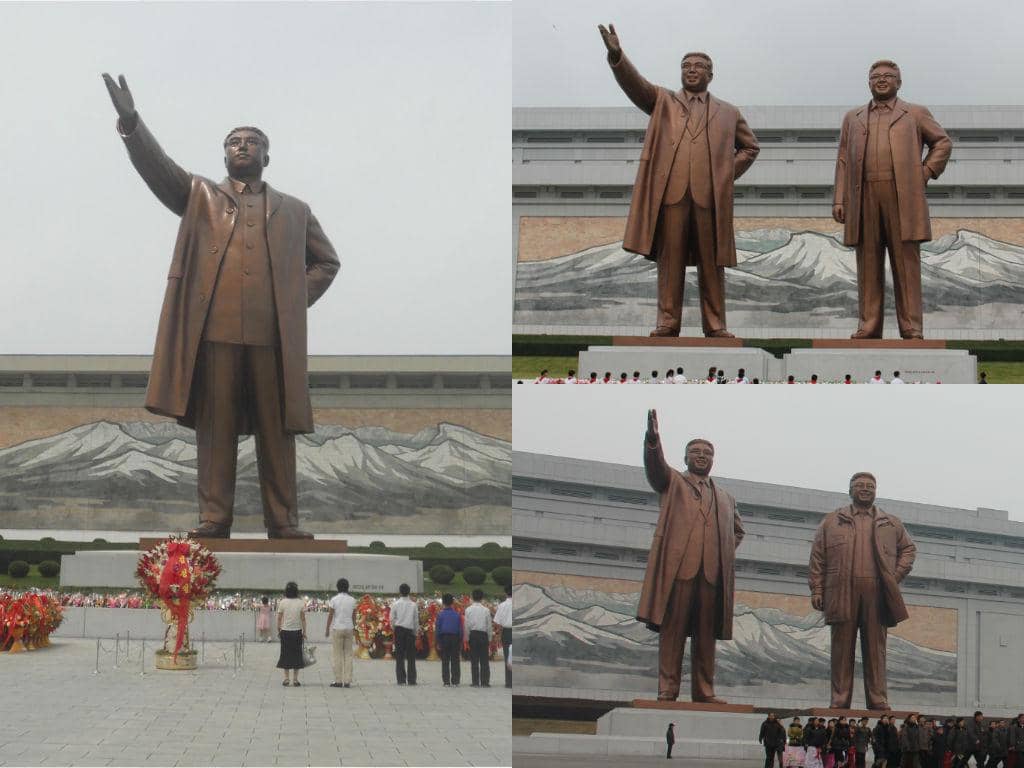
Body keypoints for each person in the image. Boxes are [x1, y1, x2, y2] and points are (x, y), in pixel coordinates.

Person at [102, 75, 340, 541]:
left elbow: (327, 262)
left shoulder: (295, 210)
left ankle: (283, 521)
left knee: (278, 431)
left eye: (252, 142)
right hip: (214, 335)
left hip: (272, 338)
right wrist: (131, 123)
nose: (243, 147)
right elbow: (158, 168)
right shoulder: (199, 197)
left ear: (266, 156)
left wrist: (291, 302)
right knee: (215, 430)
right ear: (224, 154)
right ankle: (215, 518)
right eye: (234, 142)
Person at [598, 25, 758, 338]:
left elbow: (750, 147)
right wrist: (617, 55)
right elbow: (636, 86)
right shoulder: (663, 102)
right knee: (669, 262)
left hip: (709, 200)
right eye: (686, 66)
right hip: (671, 197)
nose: (691, 71)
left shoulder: (728, 112)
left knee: (712, 264)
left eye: (698, 66)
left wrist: (724, 175)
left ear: (711, 74)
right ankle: (668, 322)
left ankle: (715, 325)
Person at [833, 59, 952, 339]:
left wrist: (925, 172)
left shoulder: (915, 113)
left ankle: (911, 327)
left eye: (888, 76)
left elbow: (942, 142)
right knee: (868, 263)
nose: (881, 80)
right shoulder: (854, 117)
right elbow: (842, 159)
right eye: (875, 76)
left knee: (906, 263)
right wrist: (840, 199)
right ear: (869, 82)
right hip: (864, 196)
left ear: (899, 82)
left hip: (902, 197)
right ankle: (869, 325)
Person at [636, 409, 745, 702]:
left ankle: (704, 691)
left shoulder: (725, 497)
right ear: (685, 459)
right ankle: (667, 689)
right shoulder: (673, 483)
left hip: (711, 576)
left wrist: (721, 553)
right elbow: (656, 469)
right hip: (679, 572)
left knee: (705, 637)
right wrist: (652, 440)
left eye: (707, 453)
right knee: (672, 633)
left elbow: (738, 531)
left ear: (713, 459)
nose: (701, 456)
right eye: (695, 452)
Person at [809, 472, 917, 709]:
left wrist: (894, 576)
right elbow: (817, 558)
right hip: (841, 591)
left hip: (877, 594)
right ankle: (840, 698)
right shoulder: (831, 521)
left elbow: (909, 550)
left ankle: (878, 699)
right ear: (850, 490)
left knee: (876, 650)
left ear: (876, 491)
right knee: (841, 649)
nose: (866, 489)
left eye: (870, 486)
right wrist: (817, 590)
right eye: (860, 485)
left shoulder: (891, 523)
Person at [325, 578, 356, 688]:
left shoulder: (334, 599)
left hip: (337, 628)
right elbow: (354, 617)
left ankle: (338, 680)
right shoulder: (352, 600)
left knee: (337, 655)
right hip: (349, 628)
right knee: (348, 654)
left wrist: (327, 629)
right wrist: (355, 629)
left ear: (338, 587)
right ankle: (347, 681)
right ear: (347, 587)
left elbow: (330, 615)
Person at [276, 581, 306, 686]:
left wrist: (278, 629)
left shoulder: (283, 602)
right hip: (297, 631)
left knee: (285, 654)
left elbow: (279, 618)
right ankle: (296, 679)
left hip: (285, 631)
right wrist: (304, 631)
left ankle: (286, 679)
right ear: (296, 591)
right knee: (297, 655)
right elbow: (303, 619)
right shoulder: (301, 602)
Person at [464, 588, 493, 687]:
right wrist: (489, 638)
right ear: (482, 598)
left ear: (472, 597)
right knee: (484, 659)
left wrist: (467, 638)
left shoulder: (468, 610)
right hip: (483, 635)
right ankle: (485, 682)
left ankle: (475, 682)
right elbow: (489, 625)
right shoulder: (486, 610)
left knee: (474, 659)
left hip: (473, 635)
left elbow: (466, 625)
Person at [390, 583, 418, 685]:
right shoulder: (413, 604)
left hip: (399, 630)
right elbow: (415, 620)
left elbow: (392, 619)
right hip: (410, 631)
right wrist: (415, 632)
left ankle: (401, 679)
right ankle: (412, 679)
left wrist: (394, 628)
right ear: (409, 592)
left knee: (399, 655)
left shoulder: (395, 604)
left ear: (400, 592)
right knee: (411, 656)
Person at [434, 593, 462, 687]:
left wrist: (437, 641)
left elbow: (438, 629)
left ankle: (446, 681)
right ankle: (455, 681)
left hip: (444, 638)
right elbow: (460, 629)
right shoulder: (457, 615)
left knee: (445, 660)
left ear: (443, 602)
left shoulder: (440, 615)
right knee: (455, 660)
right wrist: (460, 641)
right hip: (455, 638)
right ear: (452, 602)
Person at [493, 583, 512, 688]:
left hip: (507, 632)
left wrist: (498, 634)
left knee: (508, 656)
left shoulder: (502, 605)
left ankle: (509, 682)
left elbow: (497, 622)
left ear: (506, 593)